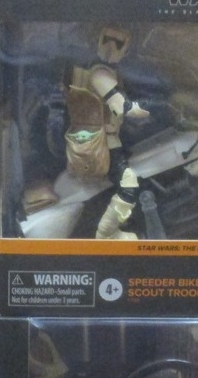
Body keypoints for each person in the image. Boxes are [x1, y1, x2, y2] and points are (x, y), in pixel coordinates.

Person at [63, 25, 151, 239]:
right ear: (98, 40)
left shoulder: (104, 71)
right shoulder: (100, 73)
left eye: (118, 43)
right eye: (107, 40)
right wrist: (151, 107)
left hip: (98, 140)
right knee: (129, 184)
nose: (111, 47)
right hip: (103, 144)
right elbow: (122, 107)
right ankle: (105, 234)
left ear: (126, 48)